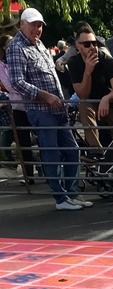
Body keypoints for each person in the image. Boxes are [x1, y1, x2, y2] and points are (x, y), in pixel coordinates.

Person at [6, 8, 84, 210]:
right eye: (33, 24)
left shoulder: (39, 44)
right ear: (21, 24)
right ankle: (61, 198)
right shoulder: (16, 47)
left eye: (39, 24)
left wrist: (56, 97)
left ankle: (70, 194)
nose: (37, 28)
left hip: (57, 107)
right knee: (51, 152)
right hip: (40, 109)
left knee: (71, 151)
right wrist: (45, 96)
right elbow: (16, 82)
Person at [69, 23, 113, 202]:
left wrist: (107, 99)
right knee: (83, 103)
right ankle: (97, 151)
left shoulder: (106, 59)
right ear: (77, 47)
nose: (92, 47)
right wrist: (88, 72)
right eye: (87, 44)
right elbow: (83, 93)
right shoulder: (74, 63)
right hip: (92, 103)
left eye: (95, 43)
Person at [0, 32, 36, 183]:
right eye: (9, 45)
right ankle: (29, 176)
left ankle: (49, 173)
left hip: (34, 103)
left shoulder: (23, 56)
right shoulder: (1, 65)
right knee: (23, 142)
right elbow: (8, 85)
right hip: (18, 106)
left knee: (42, 138)